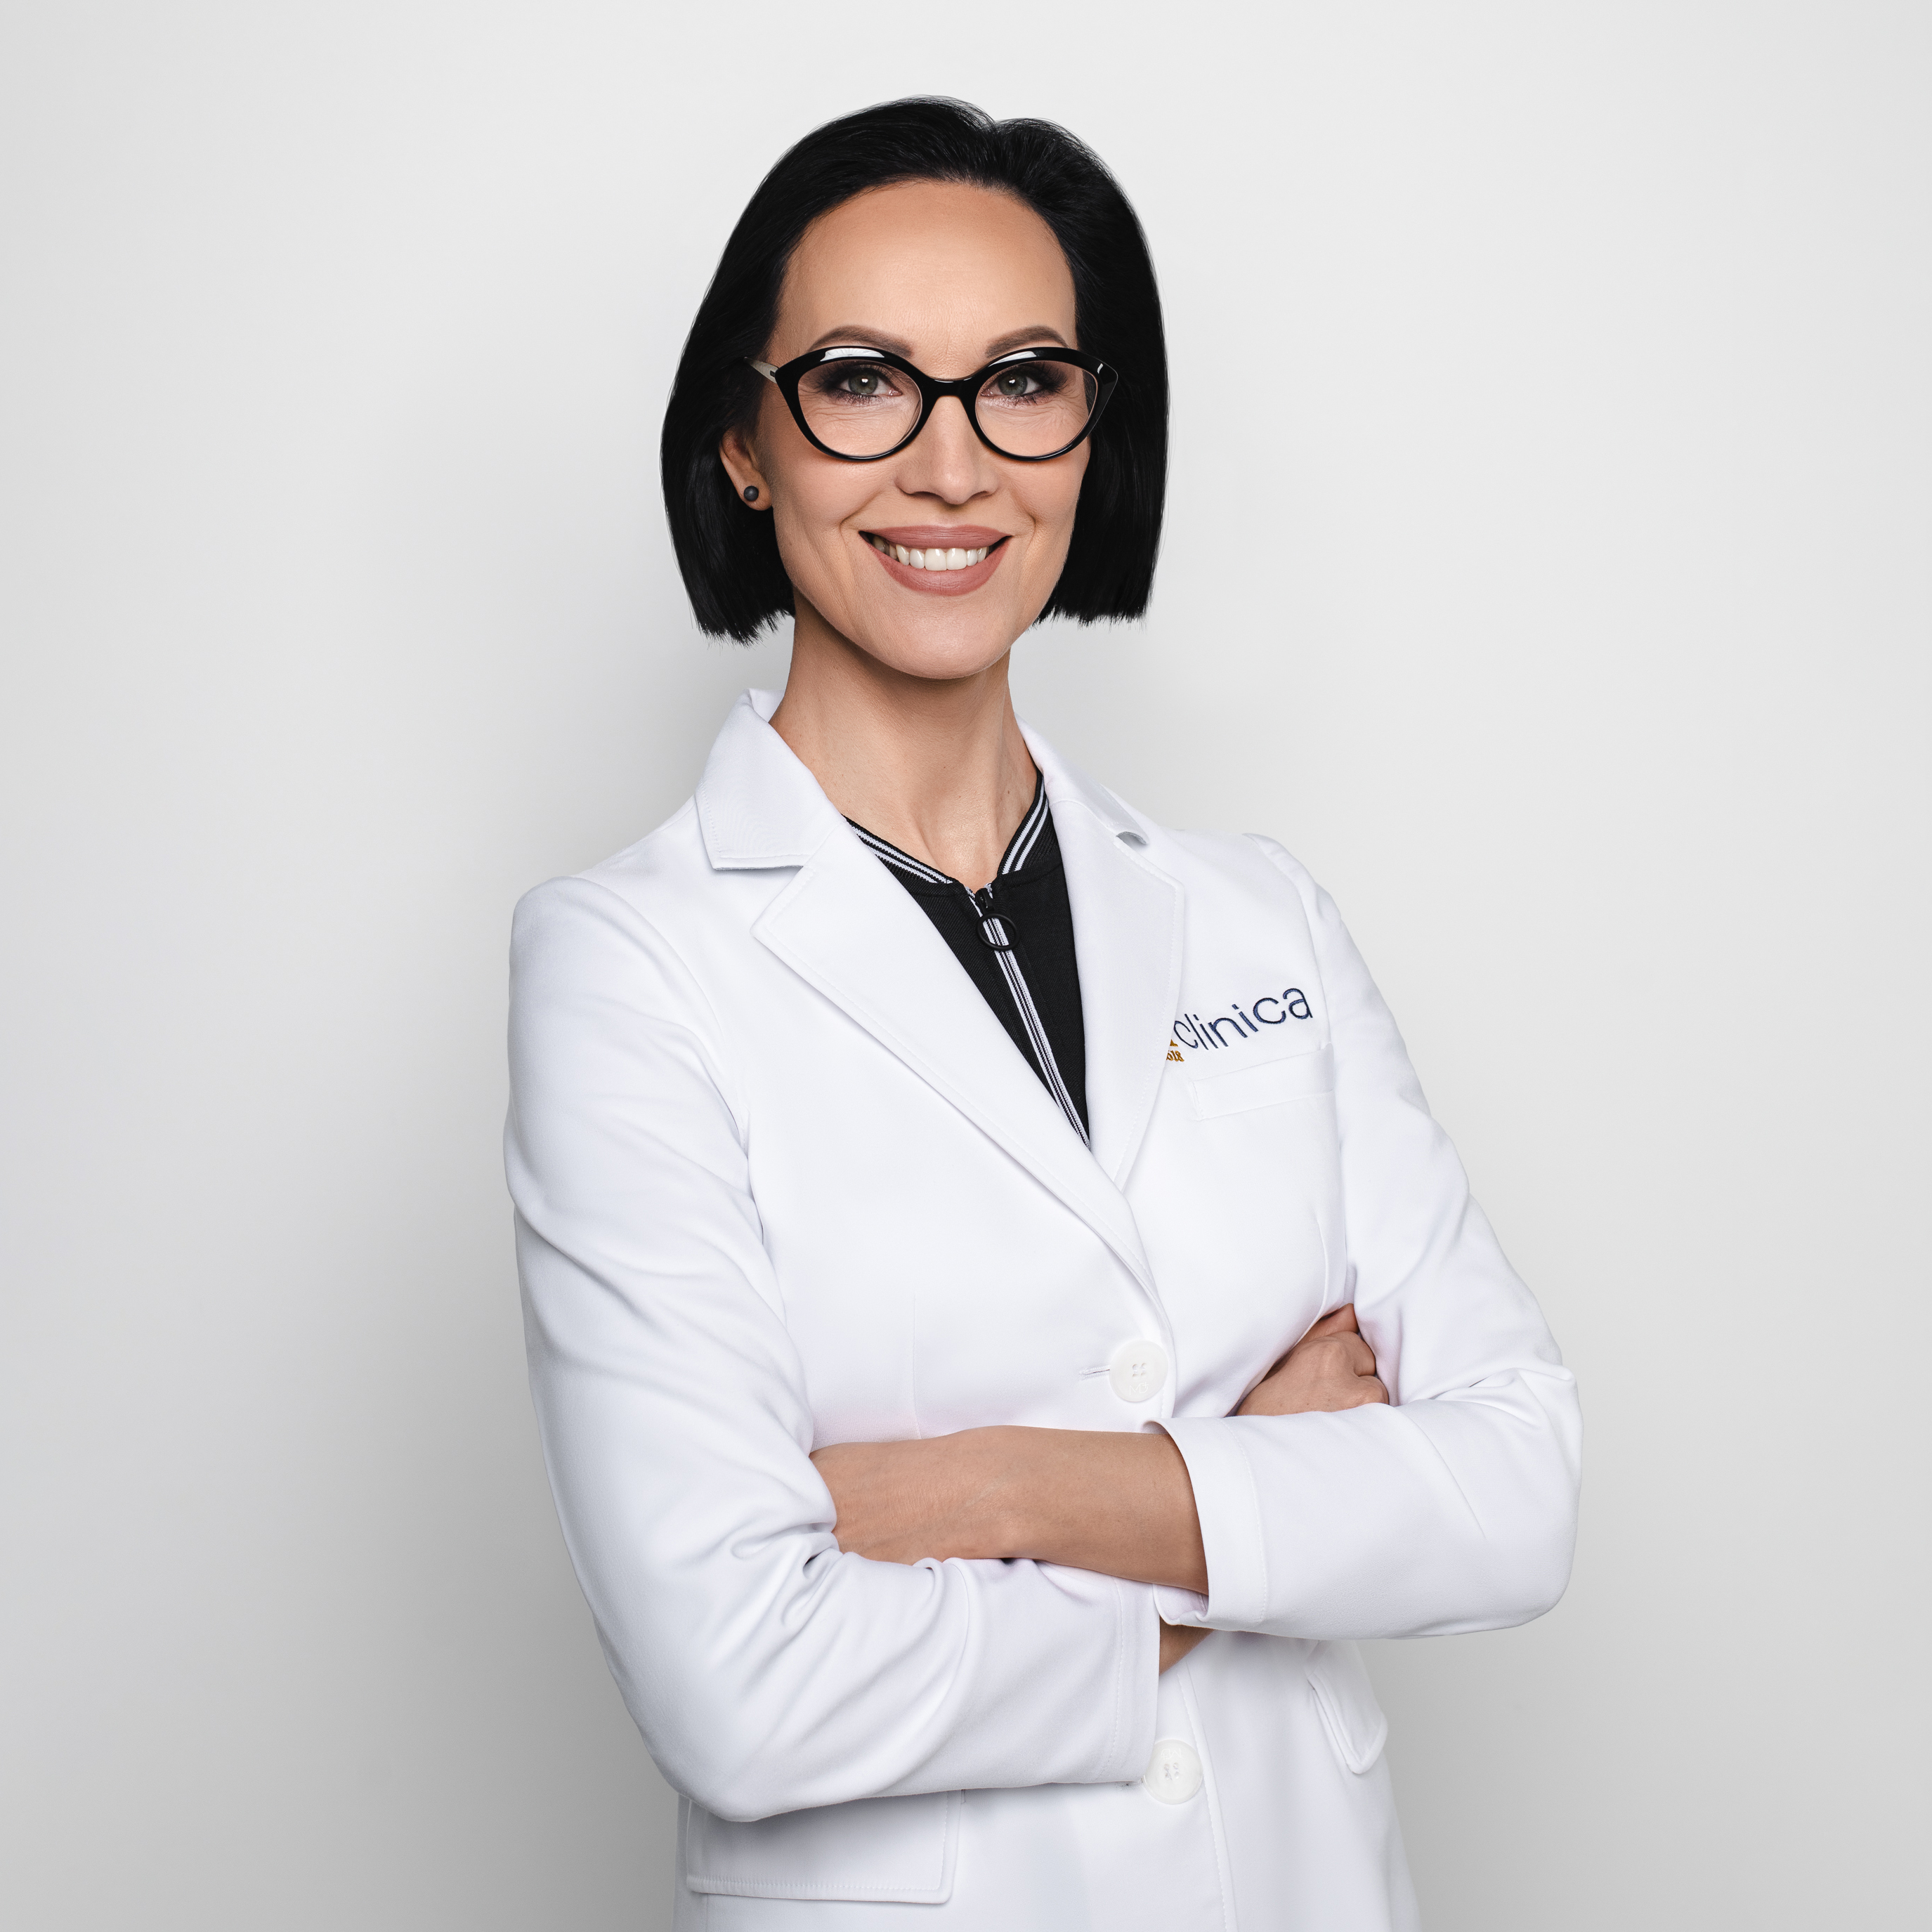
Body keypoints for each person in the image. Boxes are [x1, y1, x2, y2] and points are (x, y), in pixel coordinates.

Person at [506, 96, 1581, 1931]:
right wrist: (1259, 1502)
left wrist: (988, 1489)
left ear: (1093, 434)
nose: (952, 464)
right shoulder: (627, 964)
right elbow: (742, 1688)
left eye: (1022, 382)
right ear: (745, 446)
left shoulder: (1257, 915)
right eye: (861, 382)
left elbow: (1516, 1487)